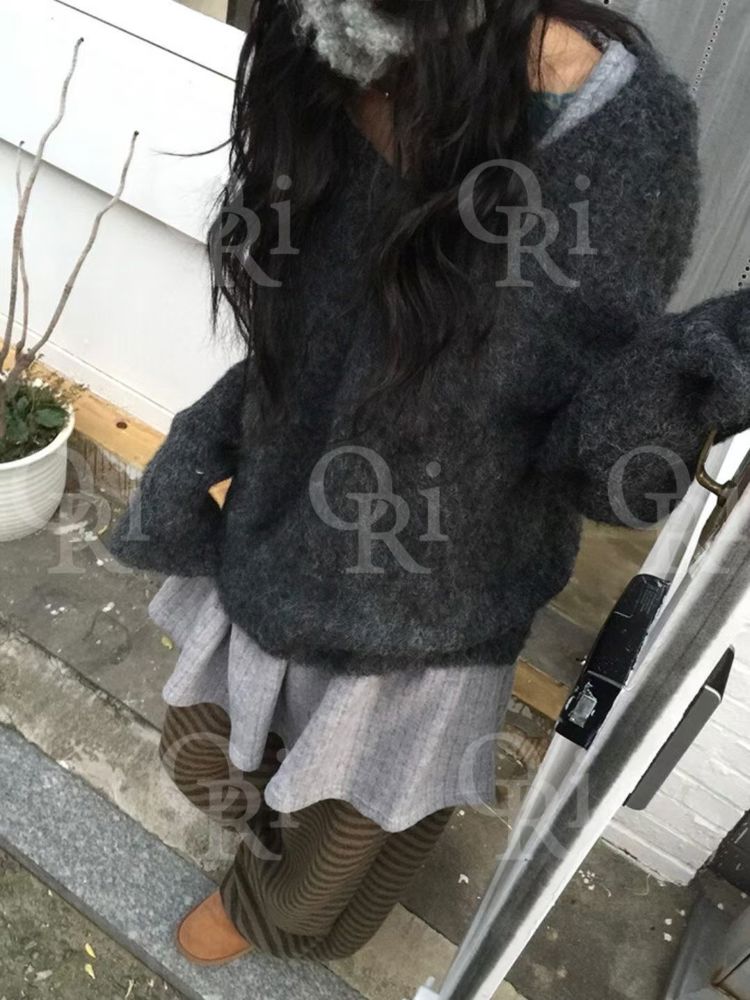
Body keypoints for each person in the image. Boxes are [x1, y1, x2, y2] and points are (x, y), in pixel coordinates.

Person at [107, 0, 750, 968]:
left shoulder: (617, 137)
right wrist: (214, 441)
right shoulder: (324, 50)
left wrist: (689, 379)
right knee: (213, 751)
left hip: (440, 598)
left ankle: (275, 909)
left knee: (346, 853)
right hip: (284, 523)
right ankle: (274, 880)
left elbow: (599, 464)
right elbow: (301, 326)